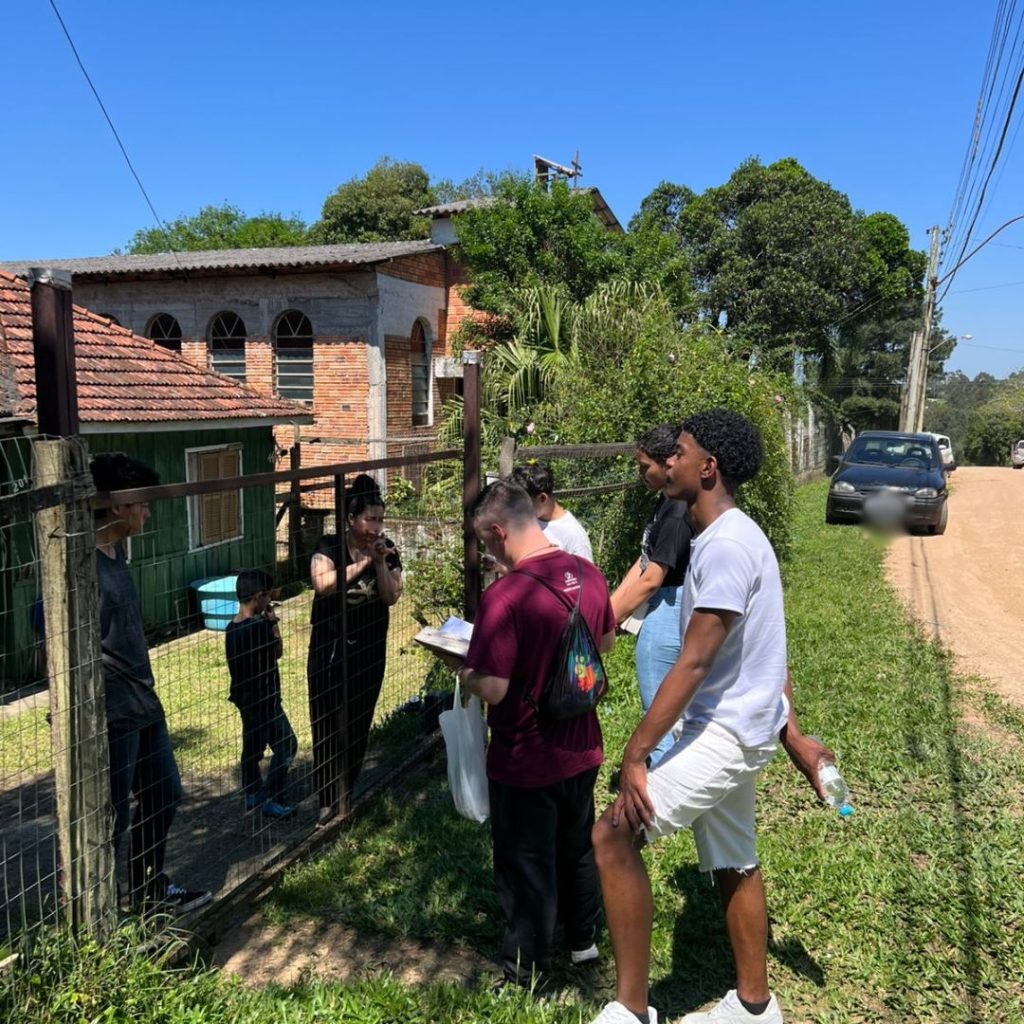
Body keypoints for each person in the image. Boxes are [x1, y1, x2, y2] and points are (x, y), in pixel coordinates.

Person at [589, 410, 789, 1024]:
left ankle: (630, 1009)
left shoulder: (727, 545)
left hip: (726, 733)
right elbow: (766, 652)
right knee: (734, 857)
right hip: (737, 727)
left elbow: (696, 661)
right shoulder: (725, 537)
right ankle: (755, 1009)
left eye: (678, 452)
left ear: (709, 468)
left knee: (612, 835)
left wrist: (636, 752)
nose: (666, 461)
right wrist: (795, 736)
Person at [450, 479, 616, 987]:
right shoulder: (588, 573)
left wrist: (463, 671)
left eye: (486, 541)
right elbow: (605, 644)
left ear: (499, 532)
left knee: (526, 861)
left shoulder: (507, 595)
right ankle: (583, 942)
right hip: (582, 745)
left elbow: (495, 689)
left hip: (526, 755)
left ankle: (527, 971)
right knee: (578, 846)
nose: (489, 553)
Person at [91, 453, 211, 914]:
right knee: (112, 814)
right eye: (142, 503)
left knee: (164, 793)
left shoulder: (117, 552)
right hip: (113, 707)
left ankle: (148, 889)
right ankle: (100, 915)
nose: (148, 511)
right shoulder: (83, 564)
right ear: (118, 505)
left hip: (144, 699)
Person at [307, 474, 402, 825]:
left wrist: (379, 562)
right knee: (326, 722)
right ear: (351, 518)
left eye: (380, 519)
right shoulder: (328, 546)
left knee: (358, 723)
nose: (376, 527)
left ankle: (347, 792)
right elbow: (322, 584)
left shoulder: (387, 549)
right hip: (329, 653)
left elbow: (392, 595)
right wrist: (363, 562)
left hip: (368, 653)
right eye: (369, 519)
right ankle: (326, 801)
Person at [610, 424, 694, 767]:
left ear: (668, 463)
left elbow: (652, 579)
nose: (642, 473)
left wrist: (605, 618)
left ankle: (659, 796)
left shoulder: (676, 512)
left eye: (646, 467)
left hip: (668, 611)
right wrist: (609, 609)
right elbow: (644, 562)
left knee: (657, 713)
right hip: (666, 607)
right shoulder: (666, 505)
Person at [226, 569, 297, 819]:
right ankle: (271, 797)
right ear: (258, 597)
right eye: (268, 597)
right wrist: (273, 624)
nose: (270, 602)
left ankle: (252, 793)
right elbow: (277, 651)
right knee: (287, 745)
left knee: (253, 748)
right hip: (265, 699)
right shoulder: (258, 628)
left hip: (245, 699)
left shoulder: (231, 627)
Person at [510, 461, 594, 561]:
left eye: (524, 504)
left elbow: (585, 575)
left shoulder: (574, 536)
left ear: (542, 498)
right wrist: (498, 567)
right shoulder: (529, 522)